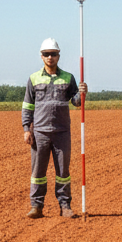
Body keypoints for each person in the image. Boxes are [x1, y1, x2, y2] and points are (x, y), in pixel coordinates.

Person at [21, 38, 87, 219]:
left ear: (58, 56)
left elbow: (76, 102)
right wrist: (27, 129)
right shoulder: (34, 78)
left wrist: (82, 93)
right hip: (40, 132)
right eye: (46, 54)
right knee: (38, 172)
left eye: (53, 54)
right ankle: (36, 206)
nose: (50, 57)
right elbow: (28, 105)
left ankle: (65, 206)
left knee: (63, 172)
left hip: (62, 132)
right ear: (41, 56)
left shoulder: (68, 78)